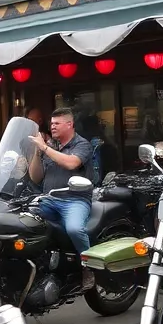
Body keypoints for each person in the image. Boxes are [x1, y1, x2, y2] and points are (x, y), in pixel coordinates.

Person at [28, 108, 96, 284]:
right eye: (51, 123)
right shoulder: (50, 148)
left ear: (69, 124)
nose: (52, 126)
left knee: (74, 228)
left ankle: (88, 267)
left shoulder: (82, 145)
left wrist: (45, 147)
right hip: (49, 200)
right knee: (25, 222)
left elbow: (71, 163)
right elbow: (36, 177)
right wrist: (37, 152)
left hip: (75, 200)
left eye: (57, 123)